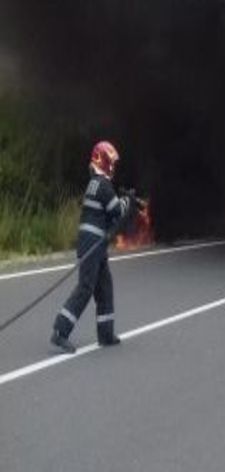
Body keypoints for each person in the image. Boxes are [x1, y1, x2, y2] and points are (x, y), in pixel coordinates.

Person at [50, 141, 136, 354]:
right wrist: (128, 200)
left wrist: (124, 200)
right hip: (92, 245)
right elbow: (117, 211)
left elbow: (108, 213)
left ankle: (106, 334)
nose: (113, 166)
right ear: (103, 161)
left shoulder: (95, 184)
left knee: (104, 287)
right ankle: (60, 332)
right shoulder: (103, 185)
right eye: (111, 162)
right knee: (85, 288)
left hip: (96, 245)